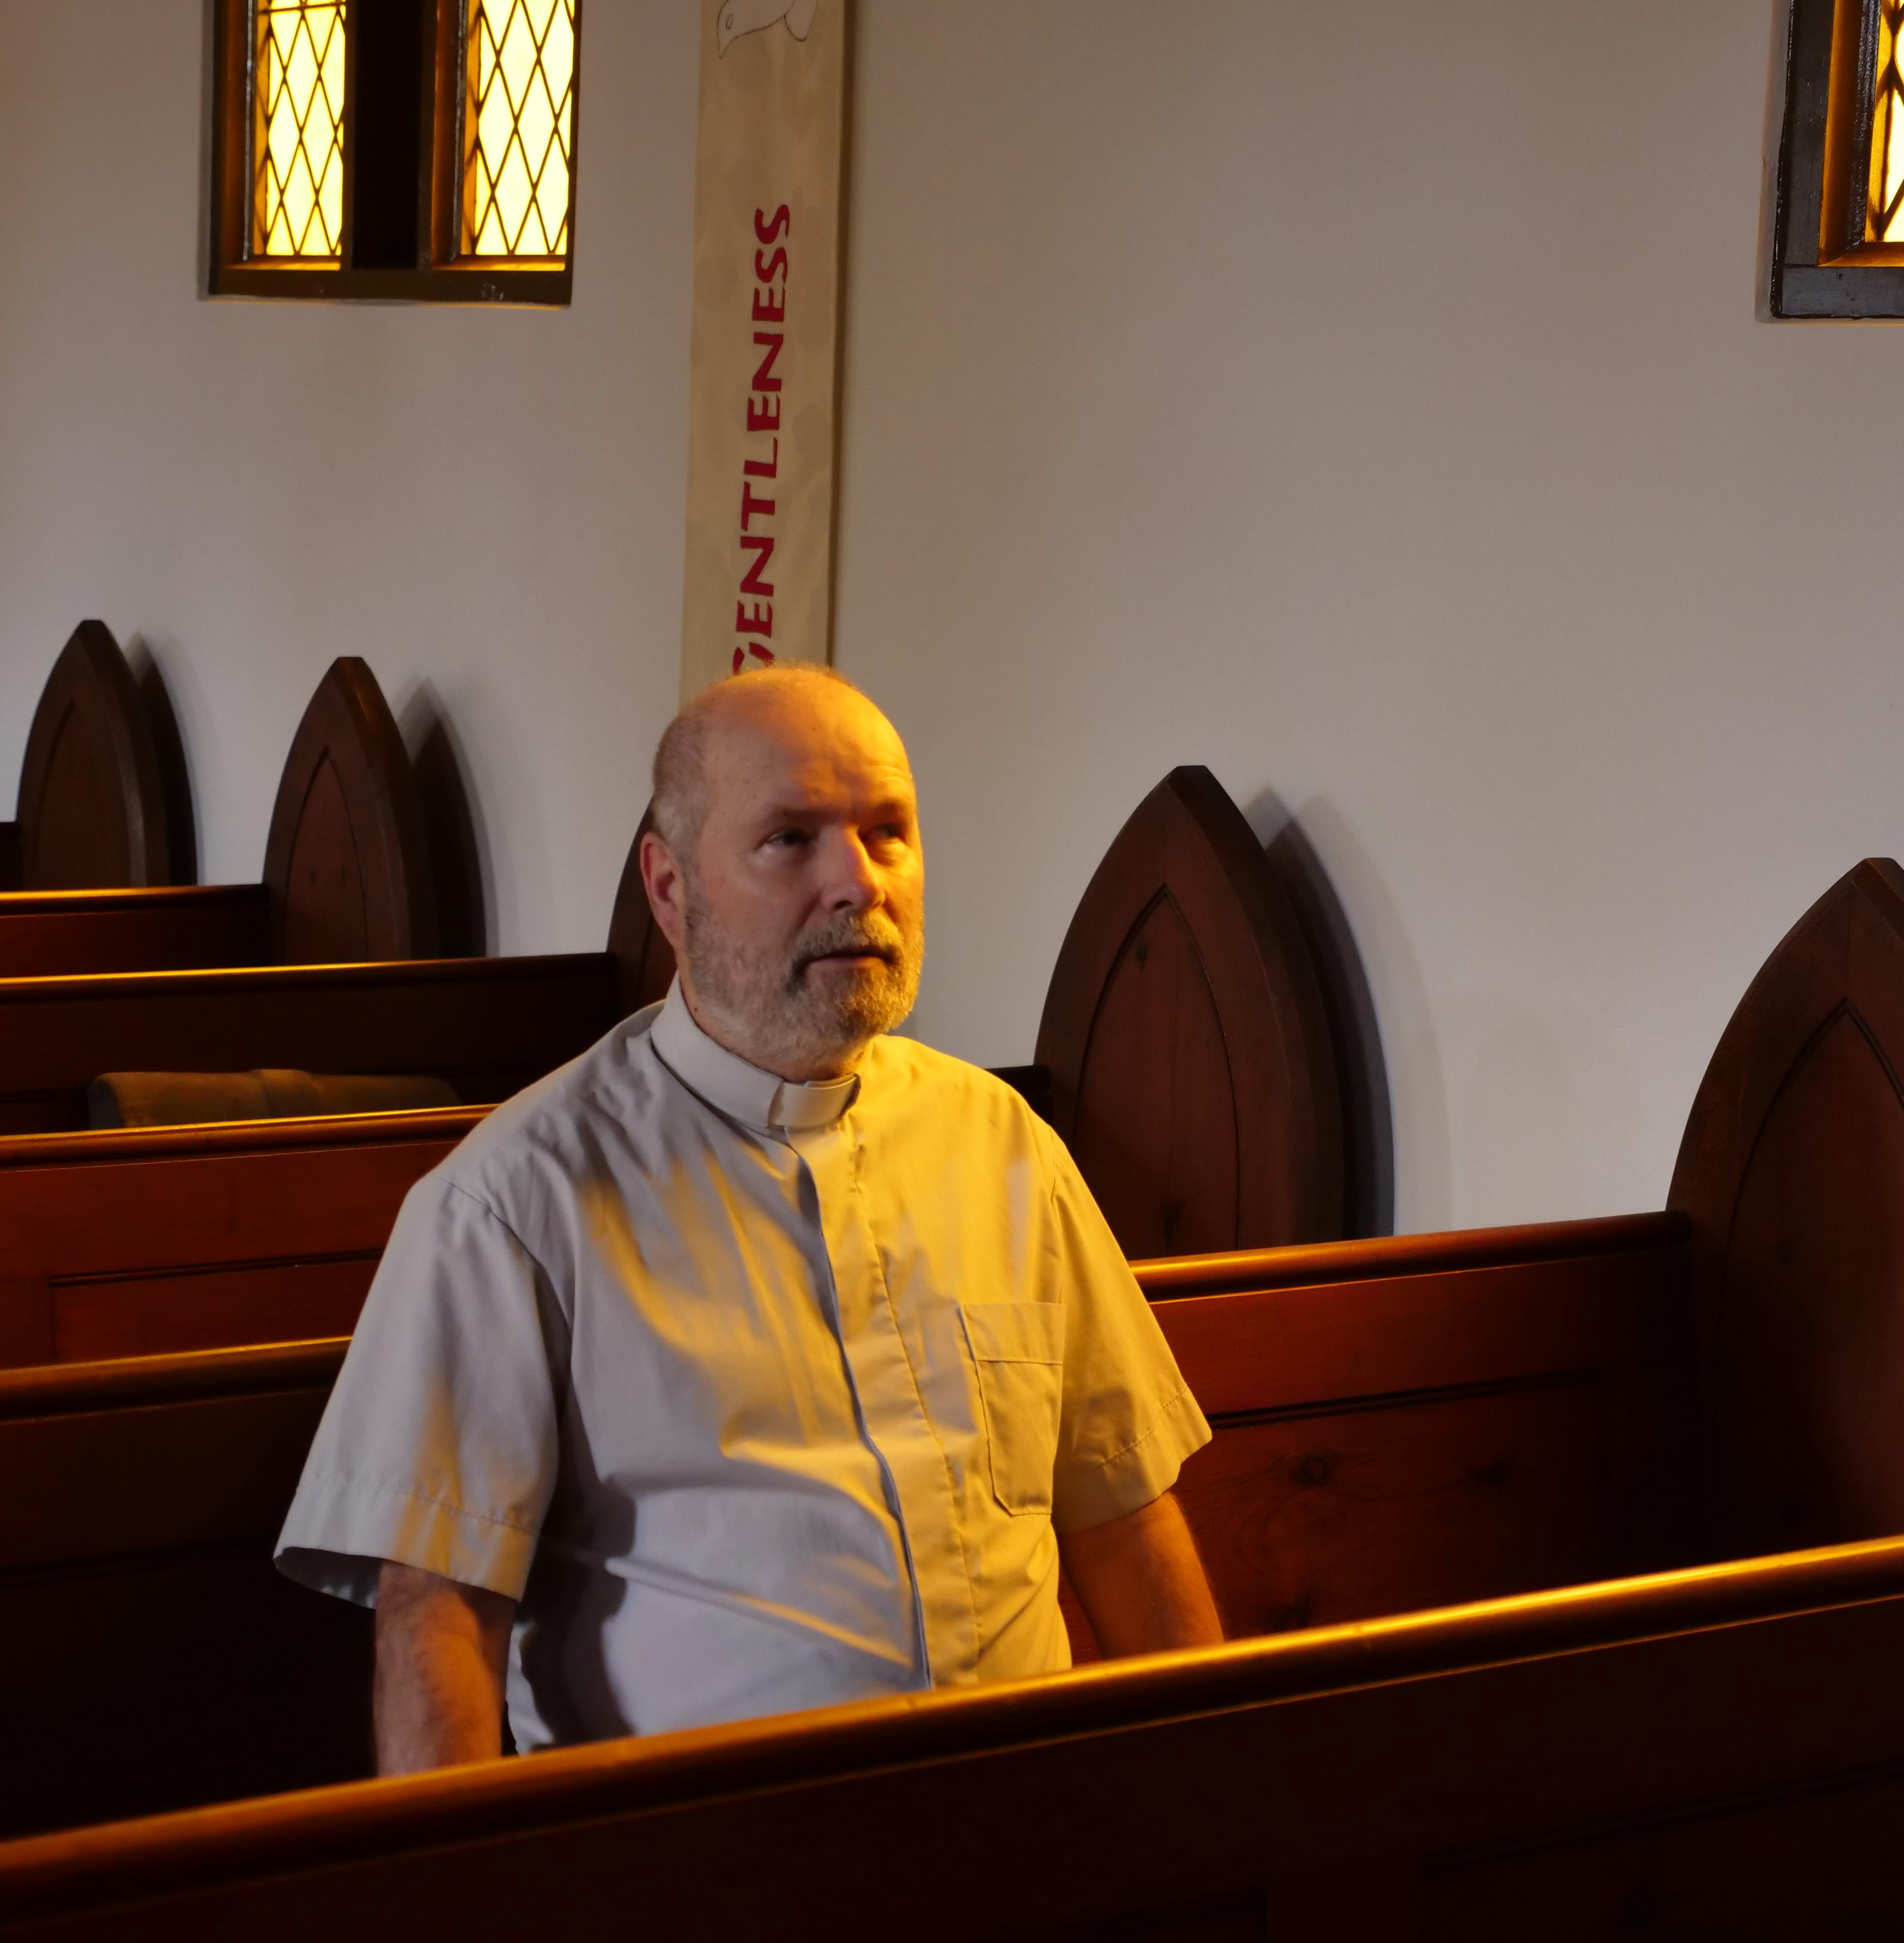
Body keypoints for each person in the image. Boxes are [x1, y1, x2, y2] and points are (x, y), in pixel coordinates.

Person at [275, 665, 1222, 1772]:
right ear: (670, 891)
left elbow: (1122, 1512)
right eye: (790, 840)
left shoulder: (1003, 1145)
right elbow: (437, 1608)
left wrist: (1212, 1809)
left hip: (1024, 1828)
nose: (857, 883)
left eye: (888, 834)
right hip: (695, 1869)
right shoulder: (512, 1202)